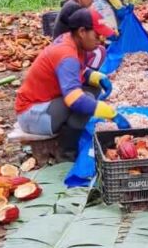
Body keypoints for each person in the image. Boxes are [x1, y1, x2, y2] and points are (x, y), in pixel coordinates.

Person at [15, 8, 117, 155]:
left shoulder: (72, 40)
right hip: (32, 115)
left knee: (93, 90)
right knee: (85, 101)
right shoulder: (66, 55)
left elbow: (74, 72)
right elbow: (76, 100)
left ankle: (70, 131)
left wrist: (94, 77)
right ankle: (67, 152)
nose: (100, 39)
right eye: (97, 34)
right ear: (82, 32)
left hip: (44, 104)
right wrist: (111, 114)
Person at [52, 0, 117, 40]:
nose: (92, 2)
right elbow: (92, 26)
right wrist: (108, 34)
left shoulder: (72, 3)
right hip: (64, 45)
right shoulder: (73, 7)